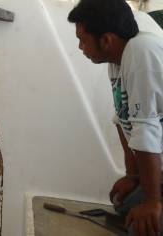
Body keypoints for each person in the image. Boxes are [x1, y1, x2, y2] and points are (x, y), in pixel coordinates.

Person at [68, 0, 163, 235]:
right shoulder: (116, 60)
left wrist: (152, 202)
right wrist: (133, 176)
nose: (80, 47)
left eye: (82, 39)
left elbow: (145, 128)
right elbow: (122, 121)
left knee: (143, 228)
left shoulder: (142, 50)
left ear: (106, 40)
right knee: (125, 203)